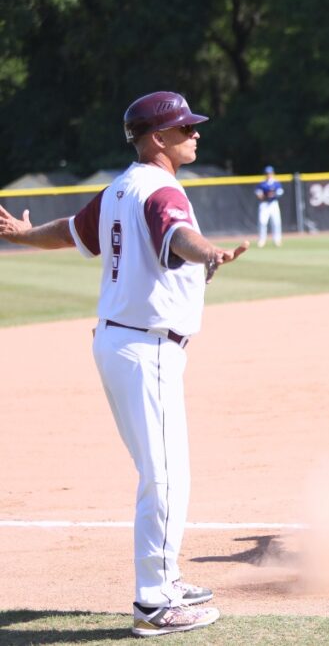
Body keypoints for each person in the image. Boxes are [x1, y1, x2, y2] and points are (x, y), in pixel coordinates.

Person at [0, 91, 248, 636]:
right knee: (164, 475)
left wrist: (22, 235)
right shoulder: (161, 189)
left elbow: (70, 229)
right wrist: (206, 251)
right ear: (157, 138)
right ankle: (155, 602)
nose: (196, 134)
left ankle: (166, 577)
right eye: (185, 128)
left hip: (124, 343)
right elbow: (177, 234)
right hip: (146, 349)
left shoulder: (119, 187)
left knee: (164, 470)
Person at [254, 165, 283, 247]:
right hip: (264, 204)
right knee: (262, 222)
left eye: (270, 173)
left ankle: (277, 240)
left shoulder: (276, 183)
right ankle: (262, 240)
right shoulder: (262, 183)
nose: (268, 174)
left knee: (276, 222)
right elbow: (258, 193)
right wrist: (263, 195)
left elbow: (280, 192)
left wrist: (273, 194)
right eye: (267, 173)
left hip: (273, 204)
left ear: (273, 173)